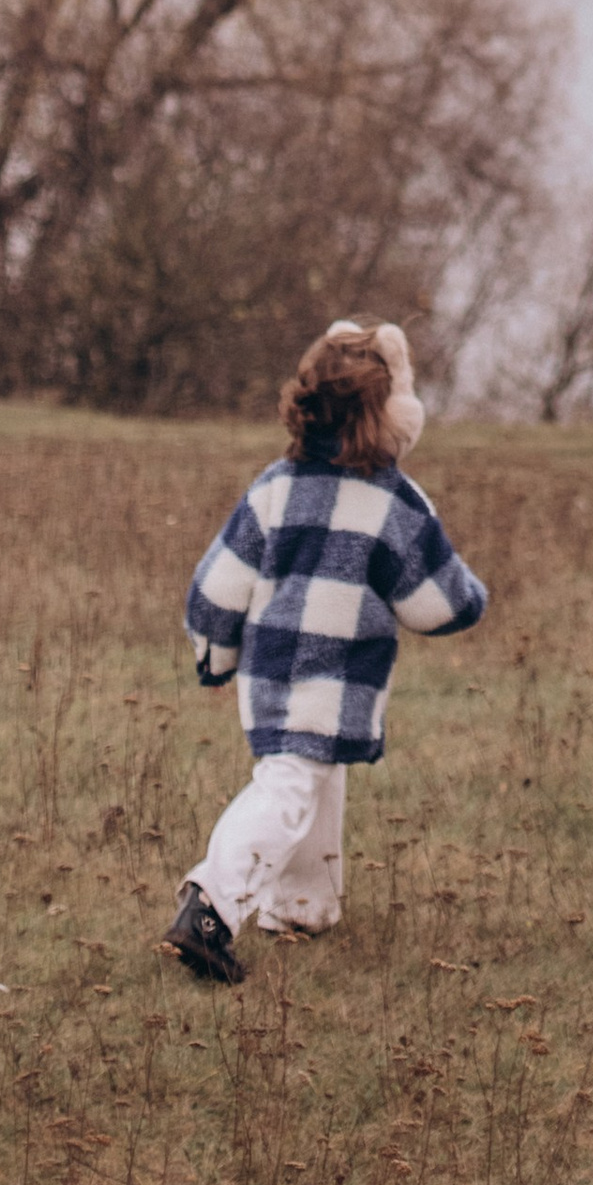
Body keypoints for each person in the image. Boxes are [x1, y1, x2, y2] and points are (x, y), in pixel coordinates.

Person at [161, 319, 489, 986]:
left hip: (270, 672)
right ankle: (211, 906)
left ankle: (301, 906)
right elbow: (437, 601)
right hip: (332, 679)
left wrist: (214, 656)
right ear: (388, 412)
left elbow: (217, 585)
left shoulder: (276, 484)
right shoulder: (392, 499)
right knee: (287, 789)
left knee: (314, 781)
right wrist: (473, 598)